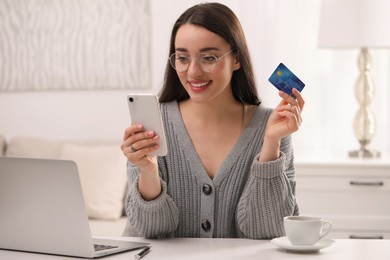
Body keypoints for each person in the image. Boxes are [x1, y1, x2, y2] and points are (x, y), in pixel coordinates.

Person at [121, 2, 304, 239]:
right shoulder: (154, 124)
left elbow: (268, 230)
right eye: (183, 58)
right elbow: (151, 231)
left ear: (236, 59)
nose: (193, 72)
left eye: (208, 58)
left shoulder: (273, 128)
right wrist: (147, 171)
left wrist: (270, 144)